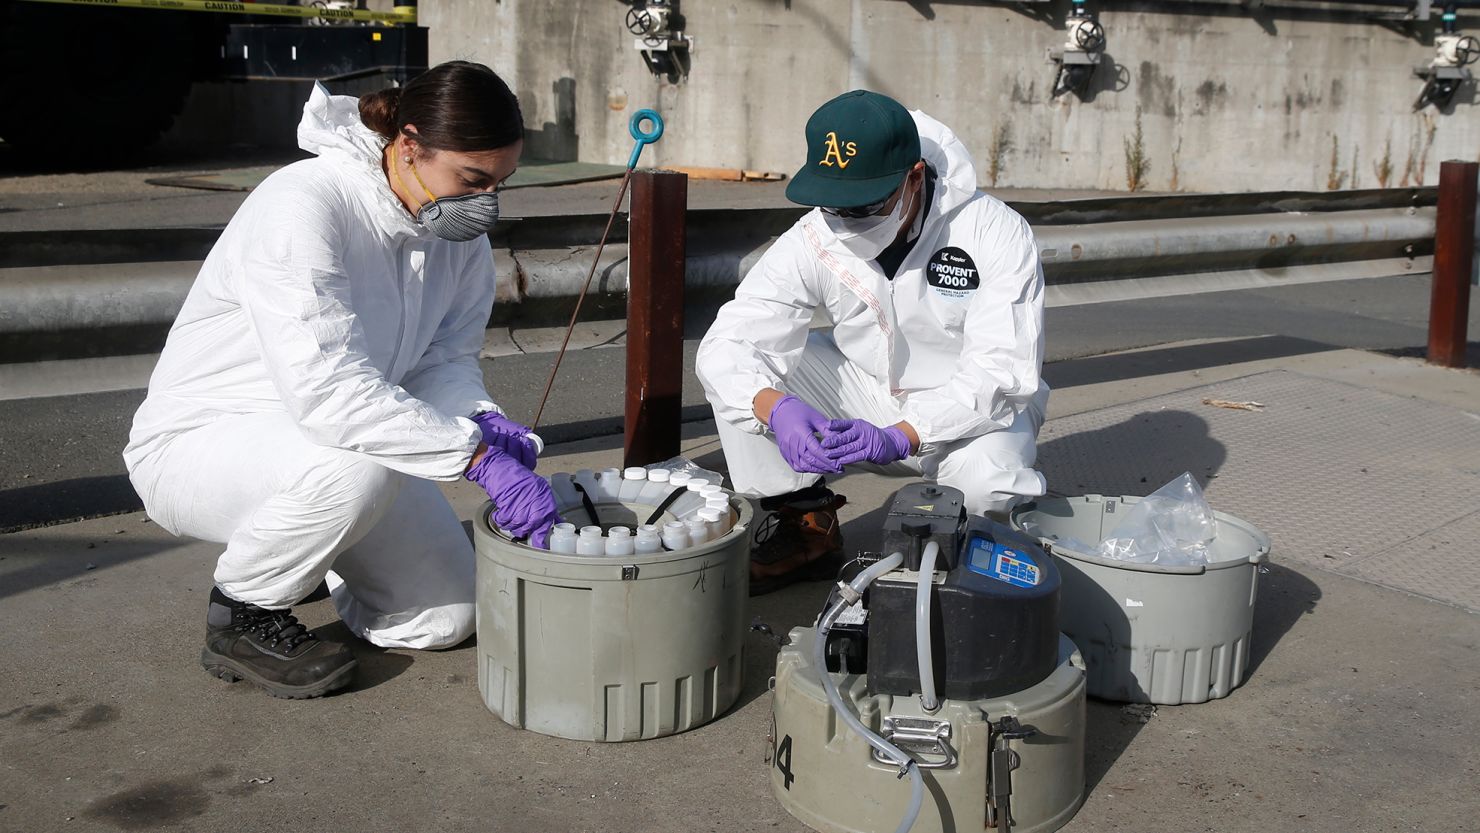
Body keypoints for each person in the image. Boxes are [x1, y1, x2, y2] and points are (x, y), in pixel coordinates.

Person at [123, 61, 562, 699]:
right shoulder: (304, 204)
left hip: (334, 445)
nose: (485, 203)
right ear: (409, 145)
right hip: (205, 447)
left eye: (500, 182)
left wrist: (481, 419)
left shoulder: (453, 234)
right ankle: (243, 610)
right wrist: (473, 457)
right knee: (357, 471)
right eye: (472, 179)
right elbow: (328, 394)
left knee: (446, 618)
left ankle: (325, 545)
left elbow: (442, 358)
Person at [696, 90, 1049, 594]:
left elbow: (1000, 373)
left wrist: (901, 435)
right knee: (745, 373)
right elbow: (734, 339)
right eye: (834, 205)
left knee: (988, 484)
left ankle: (973, 572)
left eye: (865, 205)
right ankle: (805, 526)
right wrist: (773, 408)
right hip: (869, 391)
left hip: (970, 413)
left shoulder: (994, 232)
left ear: (915, 176)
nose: (847, 222)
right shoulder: (815, 233)